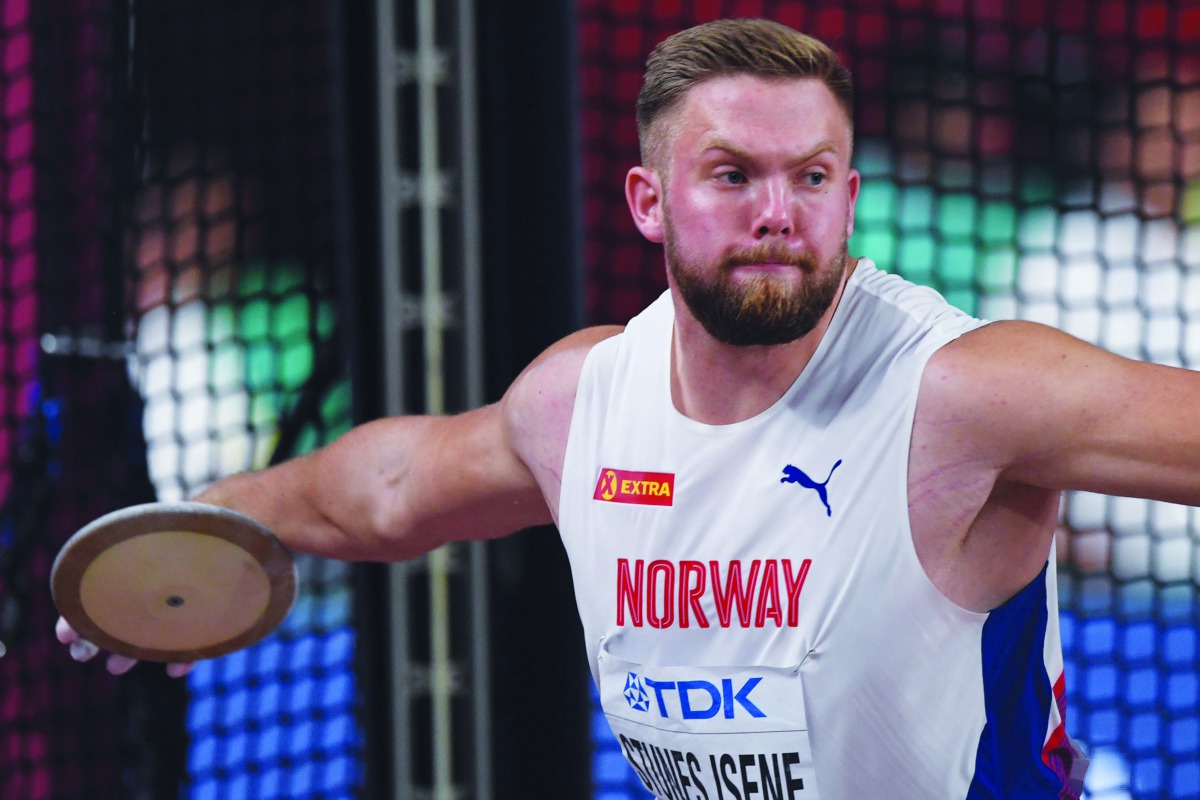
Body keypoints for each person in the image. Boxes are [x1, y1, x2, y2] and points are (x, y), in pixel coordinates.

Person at [57, 17, 1200, 798]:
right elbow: (391, 488)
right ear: (650, 201)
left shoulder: (960, 390)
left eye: (810, 177)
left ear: (851, 196)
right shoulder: (584, 400)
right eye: (731, 174)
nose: (776, 212)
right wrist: (197, 523)